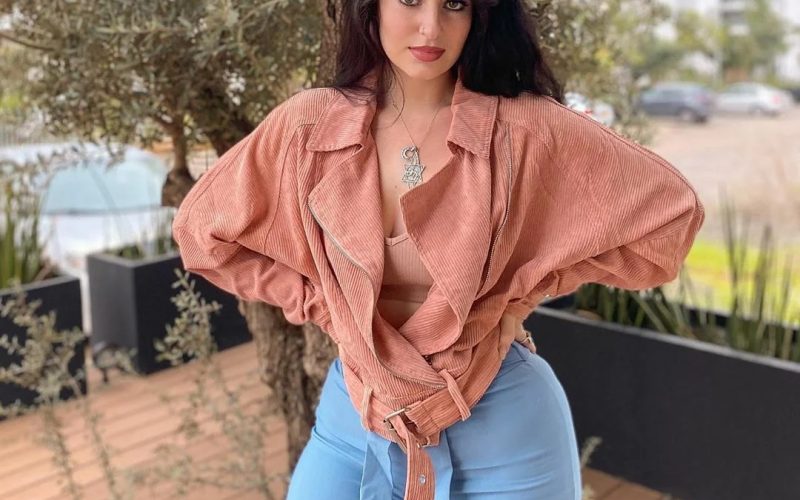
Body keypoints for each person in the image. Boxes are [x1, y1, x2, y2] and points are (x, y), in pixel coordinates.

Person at [171, 0, 706, 498]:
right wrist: (324, 307)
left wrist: (521, 291)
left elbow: (670, 218)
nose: (431, 27)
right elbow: (202, 232)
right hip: (358, 415)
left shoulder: (524, 128)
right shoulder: (308, 126)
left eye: (454, 3)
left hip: (502, 424)